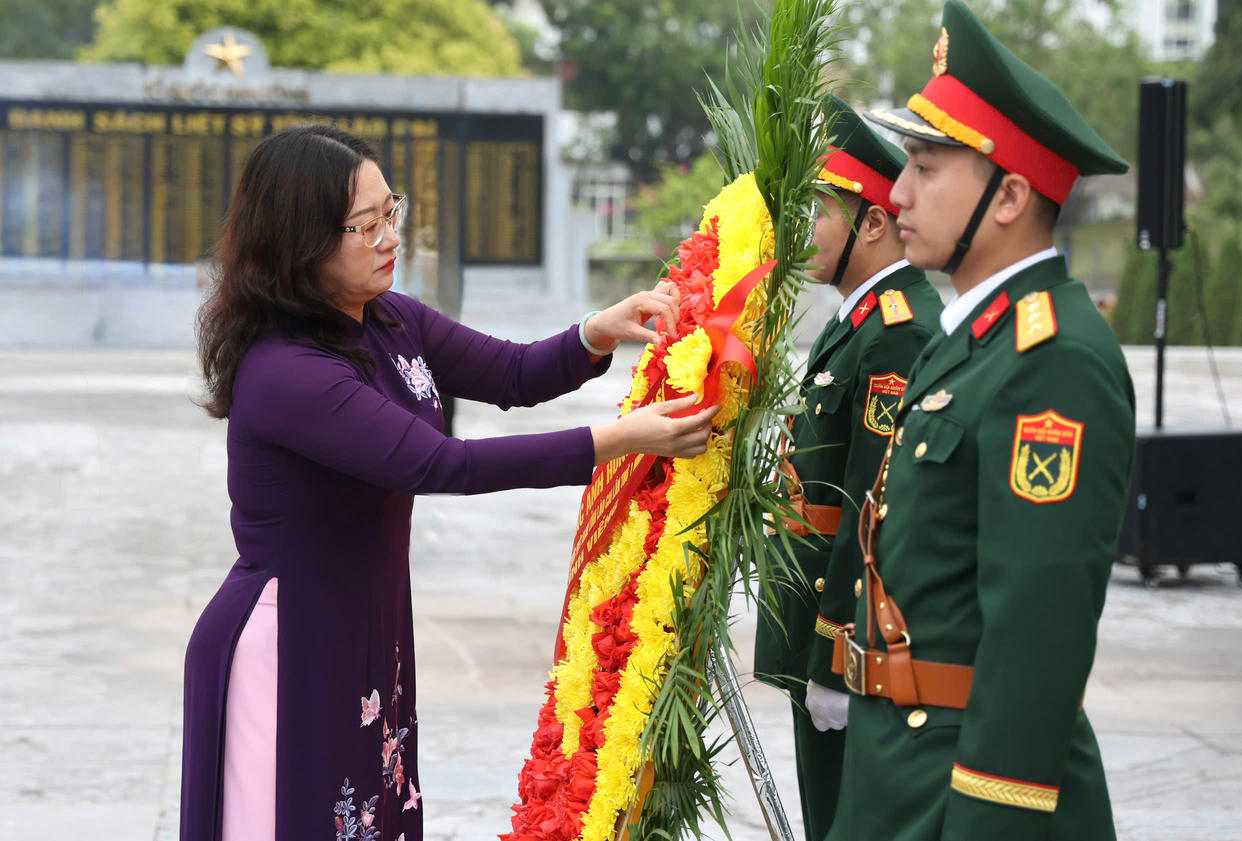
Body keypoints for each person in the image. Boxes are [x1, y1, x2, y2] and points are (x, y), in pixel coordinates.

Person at [180, 124, 718, 841]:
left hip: (366, 628)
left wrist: (599, 330)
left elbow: (512, 372)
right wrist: (617, 440)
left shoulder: (388, 318)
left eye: (390, 211)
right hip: (292, 643)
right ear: (299, 243)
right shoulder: (289, 370)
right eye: (362, 225)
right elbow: (440, 463)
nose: (386, 236)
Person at [821, 2, 1135, 840]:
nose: (897, 191)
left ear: (1010, 197)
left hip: (964, 790)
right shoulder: (973, 340)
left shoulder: (1054, 358)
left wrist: (990, 818)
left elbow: (1039, 629)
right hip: (899, 771)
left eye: (927, 167)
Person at [753, 95, 942, 841]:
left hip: (847, 650)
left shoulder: (898, 332)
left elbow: (873, 504)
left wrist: (836, 658)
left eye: (817, 212)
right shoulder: (858, 319)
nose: (799, 233)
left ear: (871, 220)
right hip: (820, 644)